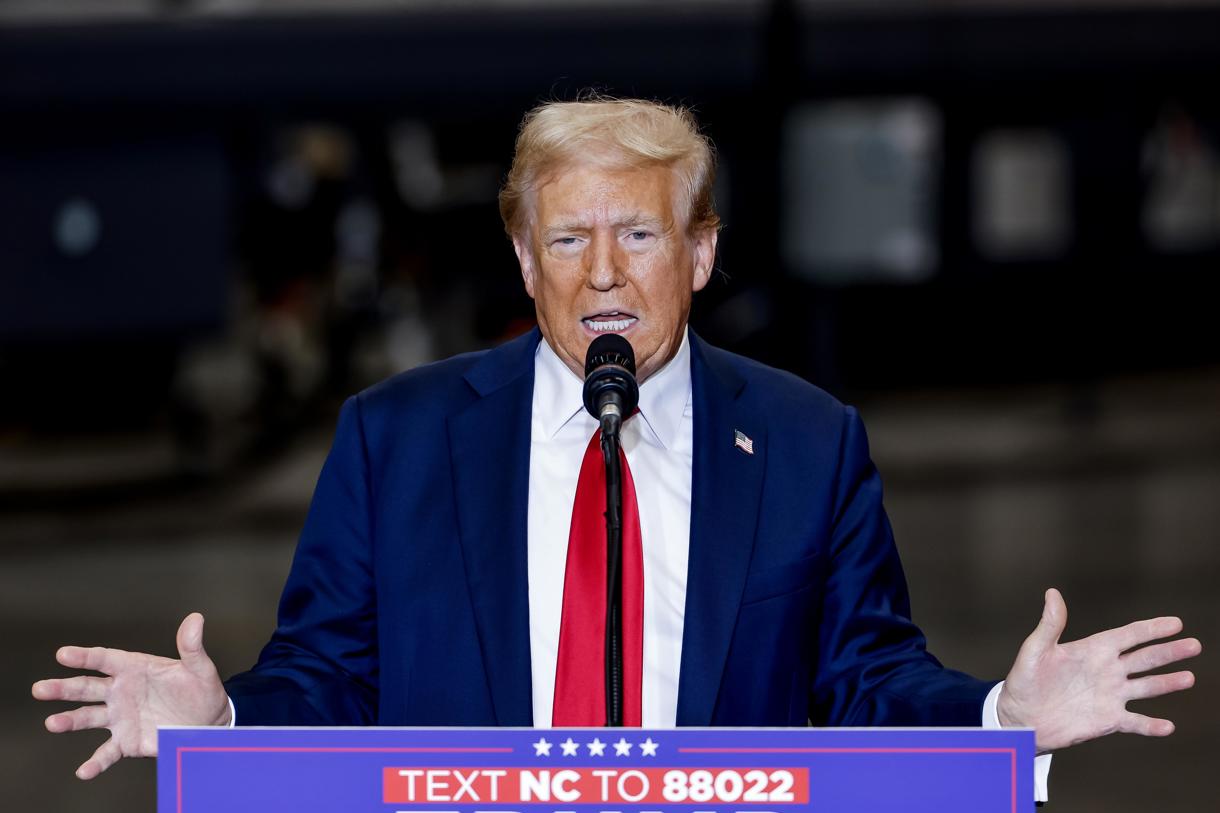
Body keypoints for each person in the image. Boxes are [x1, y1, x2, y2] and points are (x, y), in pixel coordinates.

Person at [33, 99, 1200, 799]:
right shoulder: (395, 439)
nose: (601, 275)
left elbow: (863, 684)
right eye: (568, 238)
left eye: (637, 234)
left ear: (697, 254)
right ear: (522, 257)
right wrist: (223, 727)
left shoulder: (803, 442)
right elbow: (329, 684)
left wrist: (1002, 718)